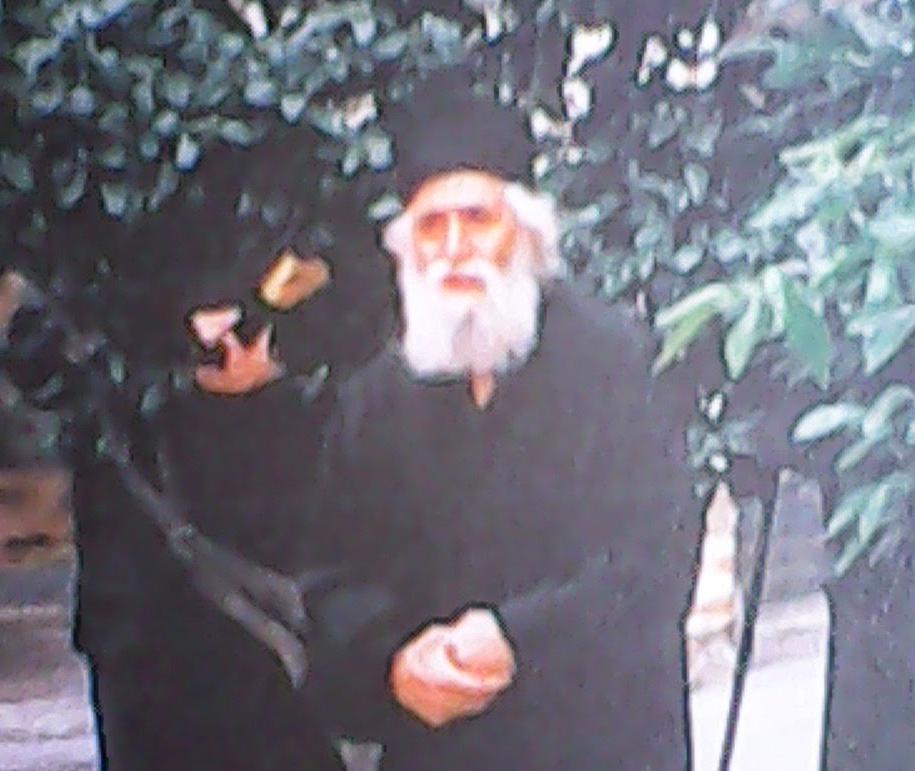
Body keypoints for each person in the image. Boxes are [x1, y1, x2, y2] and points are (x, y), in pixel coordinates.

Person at [297, 88, 703, 770]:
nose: (455, 249)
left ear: (527, 233)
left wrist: (517, 639)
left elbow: (653, 563)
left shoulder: (614, 361)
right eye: (432, 226)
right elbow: (334, 585)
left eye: (477, 219)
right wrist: (393, 664)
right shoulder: (374, 401)